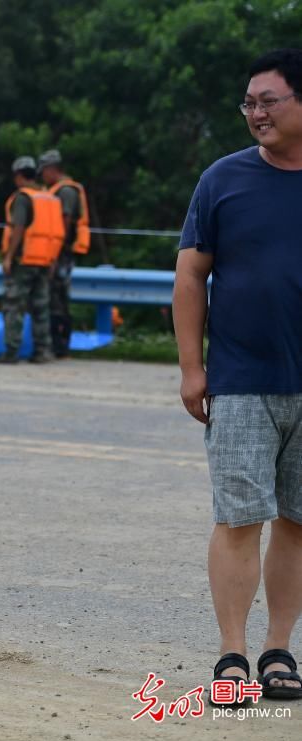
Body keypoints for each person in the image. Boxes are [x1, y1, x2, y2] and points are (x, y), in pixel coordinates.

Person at [173, 47, 302, 702]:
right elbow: (190, 275)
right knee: (237, 516)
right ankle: (231, 655)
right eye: (248, 103)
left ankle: (279, 649)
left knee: (298, 519)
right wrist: (192, 367)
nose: (254, 113)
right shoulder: (221, 180)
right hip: (241, 376)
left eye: (267, 101)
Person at [0, 156, 64, 364]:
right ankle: (43, 351)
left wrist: (9, 257)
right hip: (45, 261)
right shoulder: (50, 198)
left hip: (24, 260)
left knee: (13, 306)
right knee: (41, 307)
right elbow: (57, 234)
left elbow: (19, 229)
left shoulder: (23, 198)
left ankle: (11, 351)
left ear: (19, 176)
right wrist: (52, 260)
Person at [39, 149, 91, 359]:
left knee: (57, 299)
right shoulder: (58, 190)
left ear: (52, 169)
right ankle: (58, 345)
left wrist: (54, 254)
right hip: (57, 253)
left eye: (43, 170)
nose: (42, 175)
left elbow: (64, 223)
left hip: (60, 253)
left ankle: (60, 346)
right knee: (56, 298)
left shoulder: (65, 192)